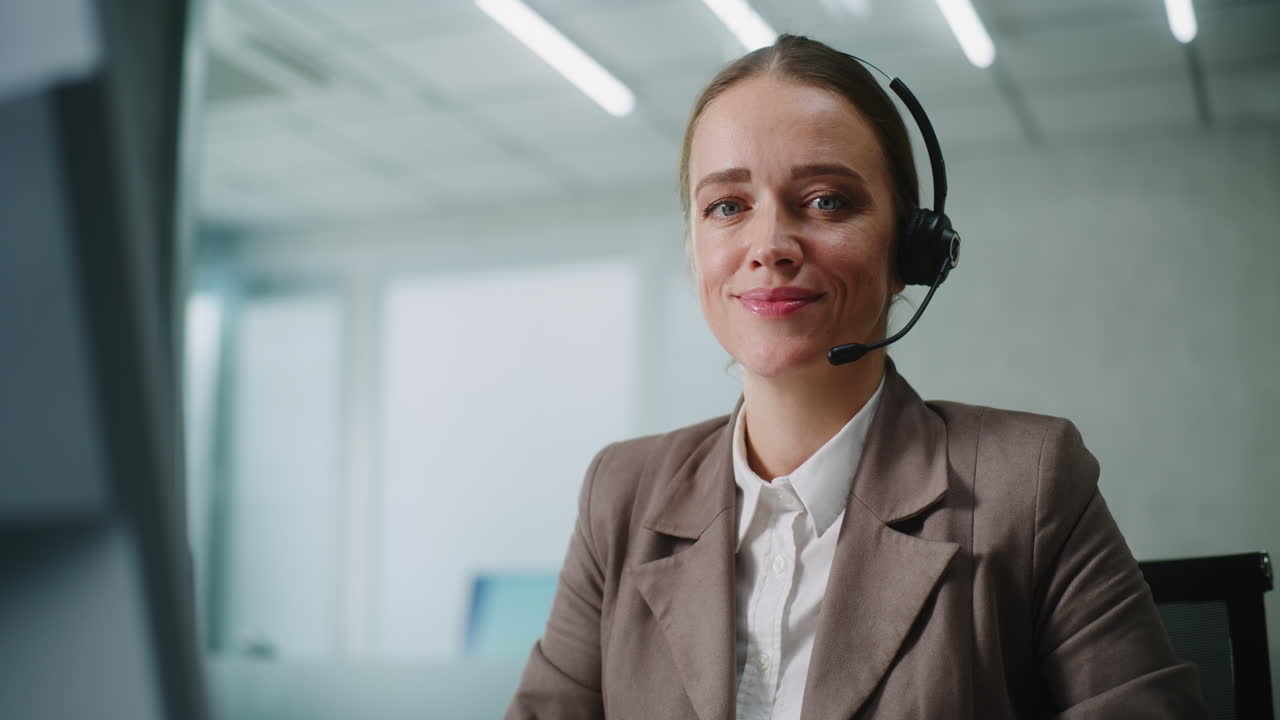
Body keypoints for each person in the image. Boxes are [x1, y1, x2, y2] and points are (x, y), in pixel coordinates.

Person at [506, 34, 1206, 719]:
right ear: (695, 250)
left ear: (911, 248)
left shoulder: (1028, 483)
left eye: (826, 201)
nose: (770, 245)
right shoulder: (621, 495)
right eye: (727, 206)